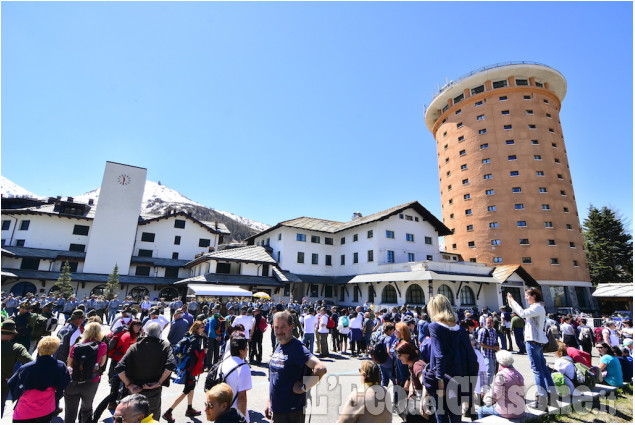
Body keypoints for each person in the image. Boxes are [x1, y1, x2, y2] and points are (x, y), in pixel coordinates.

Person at [421, 294, 477, 423]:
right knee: (456, 418)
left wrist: (440, 384)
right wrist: (470, 385)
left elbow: (439, 356)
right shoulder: (461, 330)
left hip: (444, 379)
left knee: (442, 417)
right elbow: (472, 357)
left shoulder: (434, 326)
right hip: (460, 380)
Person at [265, 310, 327, 423]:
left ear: (291, 327)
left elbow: (320, 368)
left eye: (283, 327)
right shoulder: (280, 345)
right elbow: (275, 378)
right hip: (278, 408)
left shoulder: (297, 348)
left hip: (292, 411)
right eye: (276, 327)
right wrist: (270, 401)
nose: (279, 331)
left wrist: (303, 387)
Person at [115, 322, 176, 421]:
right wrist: (159, 382)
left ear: (145, 332)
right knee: (152, 420)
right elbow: (171, 366)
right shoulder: (165, 346)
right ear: (160, 332)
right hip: (153, 392)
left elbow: (119, 368)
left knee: (133, 419)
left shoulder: (135, 346)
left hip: (135, 391)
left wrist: (129, 385)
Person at [506, 288, 556, 410]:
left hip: (533, 341)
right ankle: (551, 393)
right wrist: (511, 302)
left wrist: (512, 301)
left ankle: (542, 398)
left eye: (527, 295)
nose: (526, 298)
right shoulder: (538, 307)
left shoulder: (537, 307)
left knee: (537, 370)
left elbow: (522, 313)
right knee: (543, 369)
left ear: (534, 295)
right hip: (537, 341)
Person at [7, 336, 71, 423]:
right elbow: (64, 383)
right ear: (55, 350)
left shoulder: (27, 368)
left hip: (25, 411)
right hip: (46, 410)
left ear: (39, 349)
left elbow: (13, 385)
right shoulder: (60, 366)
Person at [162, 321, 208, 422]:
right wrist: (202, 352)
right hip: (190, 369)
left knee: (191, 388)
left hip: (189, 368)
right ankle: (168, 412)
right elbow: (190, 352)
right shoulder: (196, 339)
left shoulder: (191, 336)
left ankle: (189, 408)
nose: (203, 329)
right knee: (186, 391)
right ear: (197, 328)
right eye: (202, 327)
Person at [64, 321, 108, 423]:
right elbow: (101, 364)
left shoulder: (76, 346)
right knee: (87, 409)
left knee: (70, 411)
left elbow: (69, 364)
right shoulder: (102, 346)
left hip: (73, 381)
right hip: (91, 381)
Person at [477, 350, 525, 420]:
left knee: (481, 410)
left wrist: (487, 396)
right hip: (520, 410)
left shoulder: (501, 375)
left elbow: (496, 395)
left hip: (507, 411)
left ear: (499, 362)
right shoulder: (518, 374)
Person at [1, 319, 33, 417]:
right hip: (3, 384)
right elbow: (30, 363)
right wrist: (17, 378)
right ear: (13, 335)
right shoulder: (17, 348)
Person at [218, 333, 252, 420]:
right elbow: (242, 397)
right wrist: (243, 418)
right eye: (246, 347)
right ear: (241, 351)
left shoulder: (223, 363)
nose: (247, 349)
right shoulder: (243, 367)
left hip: (221, 411)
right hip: (234, 413)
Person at [394, 341, 426, 422]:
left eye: (399, 355)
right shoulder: (411, 364)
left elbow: (425, 383)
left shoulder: (417, 366)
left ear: (407, 354)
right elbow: (412, 377)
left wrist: (422, 401)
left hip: (426, 399)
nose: (398, 357)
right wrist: (411, 391)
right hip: (418, 396)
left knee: (406, 411)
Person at [478, 316, 500, 388]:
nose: (489, 324)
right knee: (489, 372)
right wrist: (492, 347)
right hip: (486, 354)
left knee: (493, 372)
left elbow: (494, 341)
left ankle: (488, 387)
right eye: (488, 322)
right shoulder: (483, 331)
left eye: (491, 322)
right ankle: (485, 388)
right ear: (485, 323)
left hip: (493, 354)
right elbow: (480, 343)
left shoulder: (494, 330)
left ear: (493, 323)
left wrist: (497, 347)